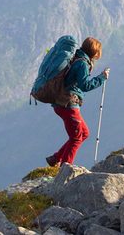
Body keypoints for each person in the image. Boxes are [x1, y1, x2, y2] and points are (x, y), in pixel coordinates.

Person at [46, 37, 110, 167]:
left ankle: (55, 158)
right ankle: (65, 168)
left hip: (61, 104)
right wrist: (102, 78)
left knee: (84, 133)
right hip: (68, 105)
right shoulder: (82, 64)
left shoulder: (76, 58)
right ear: (94, 52)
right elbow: (85, 85)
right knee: (76, 138)